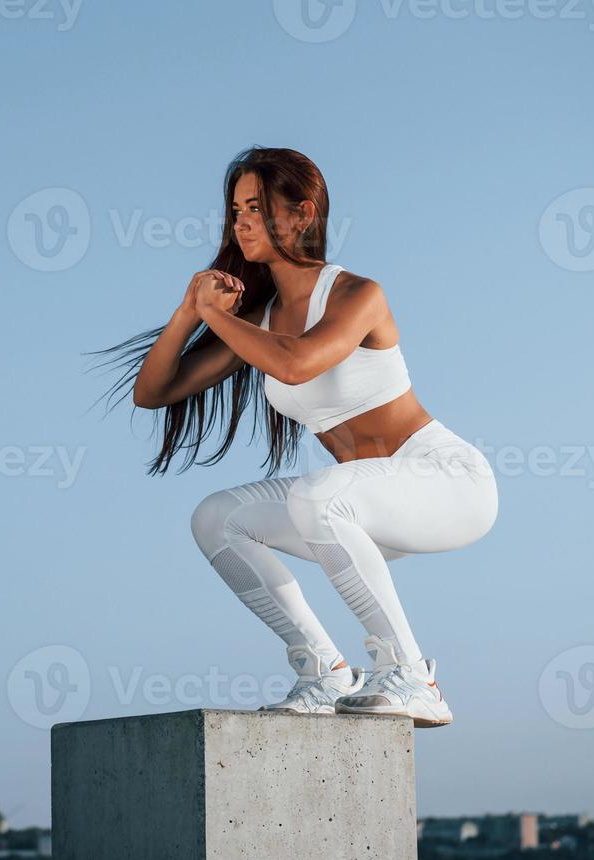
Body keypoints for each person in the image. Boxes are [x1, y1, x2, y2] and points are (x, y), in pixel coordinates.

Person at [86, 147, 497, 726]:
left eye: (256, 206)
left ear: (302, 214)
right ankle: (324, 672)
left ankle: (411, 675)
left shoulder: (357, 294)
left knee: (318, 496)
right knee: (216, 518)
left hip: (447, 485)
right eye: (235, 210)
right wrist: (189, 312)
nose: (241, 221)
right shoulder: (257, 320)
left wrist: (218, 317)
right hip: (358, 510)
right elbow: (153, 393)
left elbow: (297, 364)